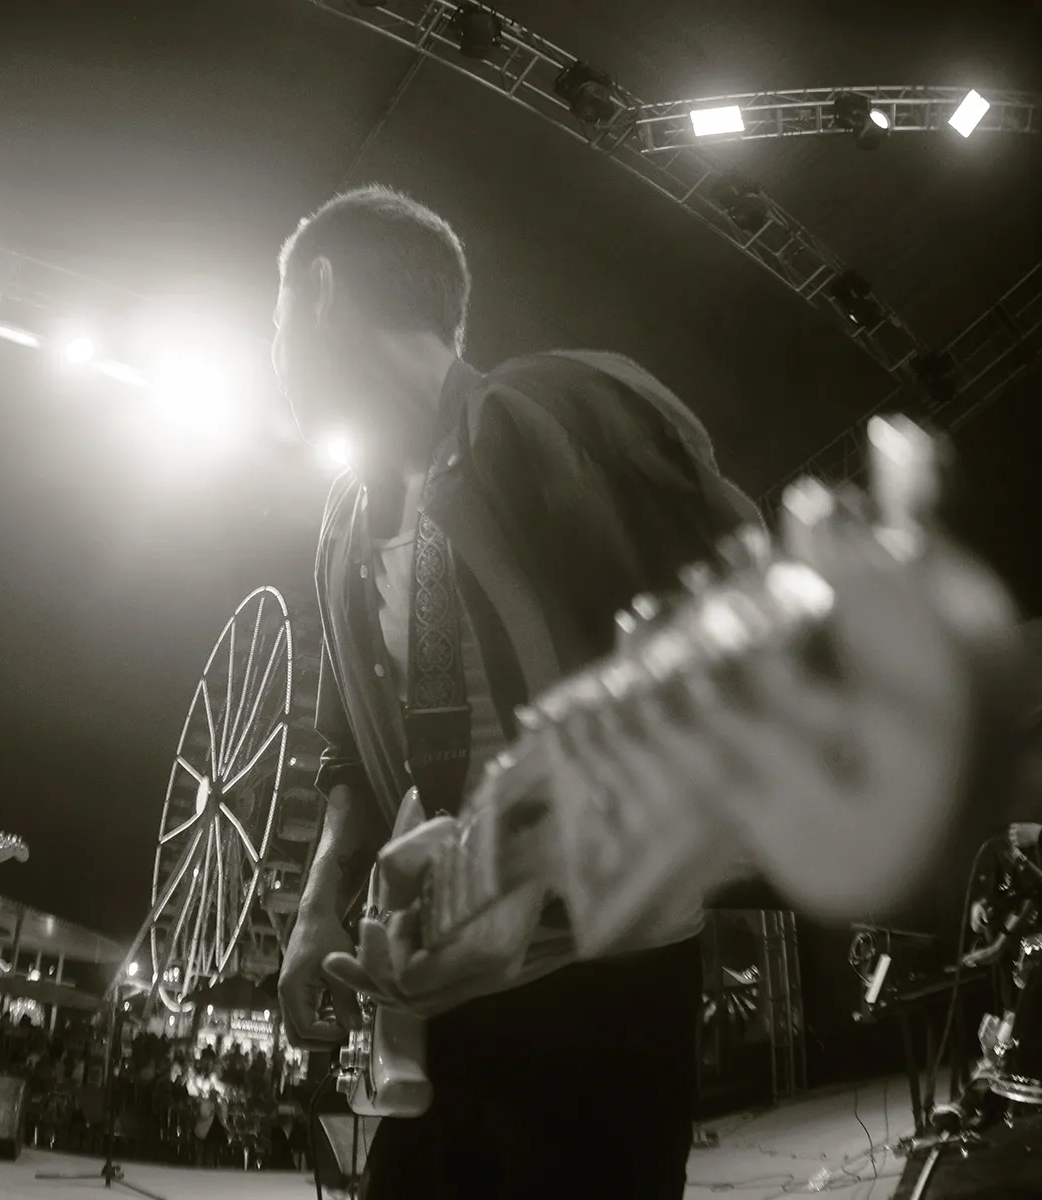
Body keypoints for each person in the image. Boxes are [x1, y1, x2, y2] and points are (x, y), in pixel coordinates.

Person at [269, 185, 768, 1199]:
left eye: (274, 315)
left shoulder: (557, 409)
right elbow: (350, 760)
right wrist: (319, 909)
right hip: (451, 996)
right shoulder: (343, 522)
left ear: (320, 291)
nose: (272, 347)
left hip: (609, 984)